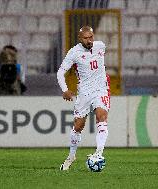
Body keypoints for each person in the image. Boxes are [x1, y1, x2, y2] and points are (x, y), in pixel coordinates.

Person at [57, 26, 110, 170]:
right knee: (78, 126)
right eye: (86, 38)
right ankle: (71, 156)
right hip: (84, 93)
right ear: (80, 39)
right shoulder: (74, 53)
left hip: (101, 89)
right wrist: (65, 90)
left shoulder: (100, 46)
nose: (89, 40)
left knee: (102, 116)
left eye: (91, 37)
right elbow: (60, 72)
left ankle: (99, 153)